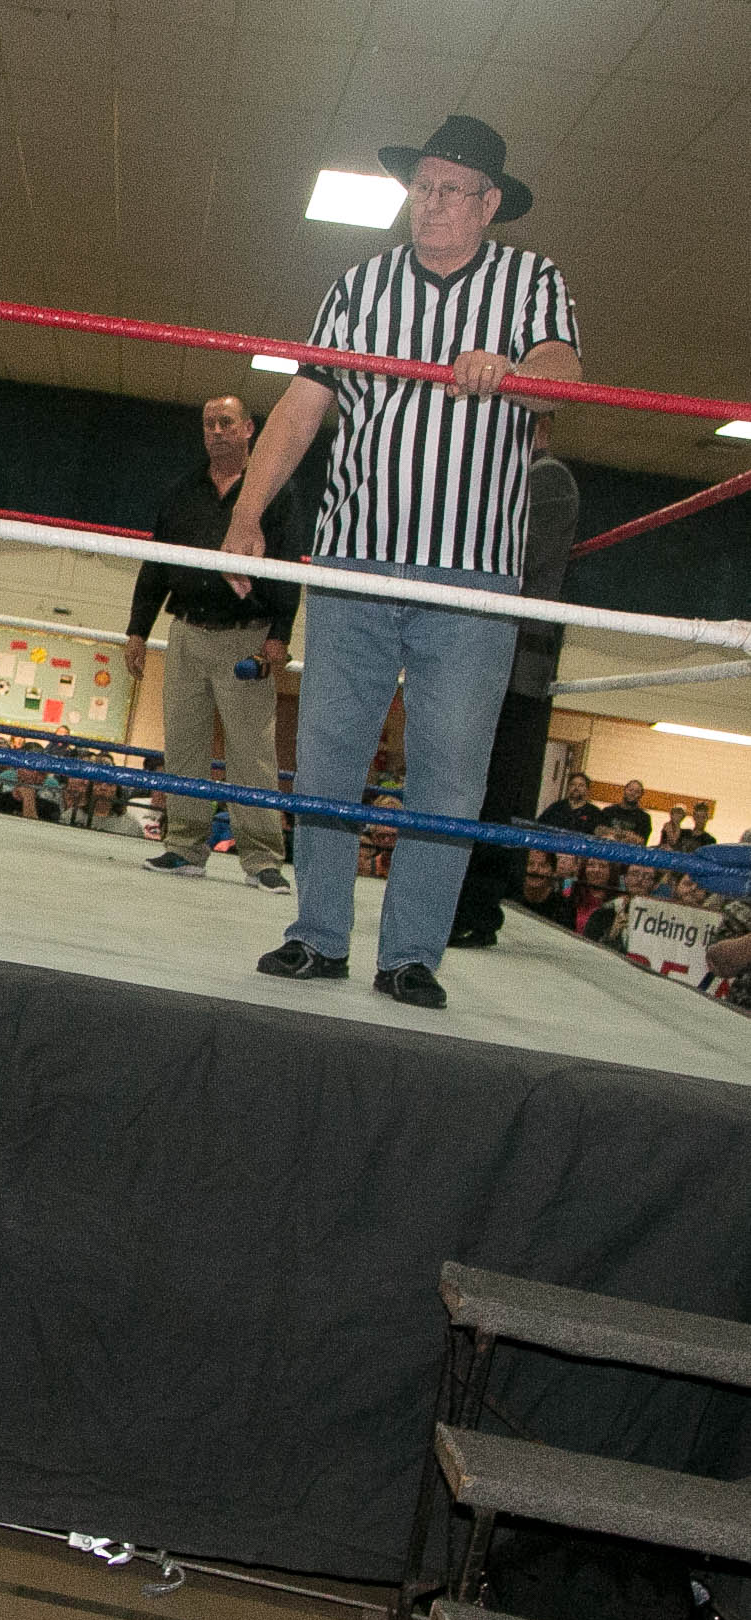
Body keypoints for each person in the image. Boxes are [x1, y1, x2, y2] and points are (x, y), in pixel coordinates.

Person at [227, 114, 582, 1011]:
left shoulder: (531, 280)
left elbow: (563, 373)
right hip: (353, 558)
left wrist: (511, 368)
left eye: (450, 189)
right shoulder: (357, 285)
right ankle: (316, 935)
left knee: (449, 774)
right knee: (327, 756)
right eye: (421, 186)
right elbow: (302, 405)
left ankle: (412, 955)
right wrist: (245, 513)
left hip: (472, 576)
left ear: (489, 204)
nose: (430, 203)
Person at [126, 394, 297, 894]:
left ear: (248, 428)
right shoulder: (181, 491)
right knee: (183, 743)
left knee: (252, 751)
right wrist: (137, 630)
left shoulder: (273, 490)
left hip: (246, 636)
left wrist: (279, 637)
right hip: (185, 632)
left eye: (226, 422)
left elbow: (288, 566)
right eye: (209, 424)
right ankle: (184, 846)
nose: (217, 431)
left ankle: (262, 858)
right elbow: (155, 563)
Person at [447, 415, 580, 947]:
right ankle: (458, 904)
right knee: (467, 783)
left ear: (538, 429)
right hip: (488, 654)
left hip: (517, 663)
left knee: (497, 788)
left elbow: (514, 562)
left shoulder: (548, 478)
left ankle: (478, 911)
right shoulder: (507, 478)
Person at [537, 771, 601, 835]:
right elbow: (539, 825)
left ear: (587, 789)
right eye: (573, 784)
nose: (576, 788)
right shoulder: (556, 807)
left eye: (581, 785)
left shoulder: (594, 813)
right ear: (568, 787)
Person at [597, 778, 653, 844]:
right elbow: (598, 831)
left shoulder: (644, 818)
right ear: (624, 790)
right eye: (630, 790)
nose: (632, 793)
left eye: (637, 792)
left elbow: (641, 841)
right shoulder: (608, 811)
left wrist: (614, 834)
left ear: (641, 795)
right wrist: (626, 835)